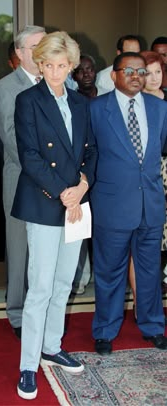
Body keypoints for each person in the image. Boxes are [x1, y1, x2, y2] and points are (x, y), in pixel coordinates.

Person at [11, 31, 97, 400]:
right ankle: (27, 365)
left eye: (63, 66)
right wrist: (63, 192)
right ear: (39, 64)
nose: (56, 72)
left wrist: (81, 186)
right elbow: (29, 155)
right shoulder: (27, 100)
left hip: (76, 203)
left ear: (71, 66)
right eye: (49, 65)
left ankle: (51, 345)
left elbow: (91, 151)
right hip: (45, 202)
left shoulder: (81, 103)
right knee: (41, 287)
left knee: (64, 282)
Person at [89, 51, 167, 356]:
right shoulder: (95, 109)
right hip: (112, 205)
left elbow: (156, 152)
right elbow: (90, 153)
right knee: (110, 272)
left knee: (149, 272)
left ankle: (152, 326)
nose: (136, 76)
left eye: (141, 72)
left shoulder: (159, 108)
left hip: (150, 205)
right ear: (114, 75)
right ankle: (105, 330)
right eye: (129, 70)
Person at [0, 25, 46, 339]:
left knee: (46, 252)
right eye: (37, 46)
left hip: (55, 183)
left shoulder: (59, 82)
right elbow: (13, 141)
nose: (43, 51)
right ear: (21, 52)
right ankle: (16, 314)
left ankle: (43, 309)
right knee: (20, 249)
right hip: (22, 179)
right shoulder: (5, 87)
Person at [128, 51, 167, 320]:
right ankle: (143, 302)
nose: (153, 78)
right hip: (147, 178)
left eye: (158, 72)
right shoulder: (133, 104)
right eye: (147, 72)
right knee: (142, 243)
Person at [71, 54, 98, 294]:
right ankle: (79, 278)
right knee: (79, 230)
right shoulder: (72, 101)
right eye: (81, 71)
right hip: (82, 174)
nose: (87, 74)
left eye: (90, 69)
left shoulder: (107, 97)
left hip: (105, 172)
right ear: (74, 75)